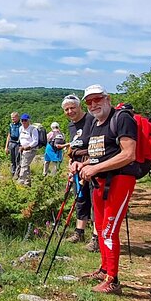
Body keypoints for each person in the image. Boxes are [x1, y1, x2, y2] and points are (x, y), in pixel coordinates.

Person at [71, 84, 138, 295]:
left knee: (109, 230)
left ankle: (113, 281)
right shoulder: (96, 123)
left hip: (119, 181)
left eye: (97, 99)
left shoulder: (122, 119)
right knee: (100, 227)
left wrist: (95, 168)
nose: (93, 104)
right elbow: (101, 154)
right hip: (99, 183)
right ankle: (104, 269)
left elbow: (129, 154)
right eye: (89, 101)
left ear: (107, 98)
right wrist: (83, 164)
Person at [62, 94, 99, 251]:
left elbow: (98, 145)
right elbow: (74, 147)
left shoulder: (91, 120)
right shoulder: (72, 125)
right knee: (80, 199)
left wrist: (84, 163)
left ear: (80, 107)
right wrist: (71, 163)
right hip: (77, 167)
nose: (70, 111)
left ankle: (96, 238)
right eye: (67, 109)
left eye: (73, 108)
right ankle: (79, 232)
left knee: (95, 201)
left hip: (93, 165)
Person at [17, 114, 38, 186]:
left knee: (24, 165)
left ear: (29, 120)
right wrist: (21, 146)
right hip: (23, 149)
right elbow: (20, 138)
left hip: (31, 150)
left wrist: (28, 146)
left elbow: (35, 141)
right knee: (26, 165)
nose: (24, 122)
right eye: (22, 120)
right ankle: (27, 183)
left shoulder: (33, 129)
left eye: (25, 120)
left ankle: (20, 182)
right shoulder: (20, 128)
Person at [4, 112, 22, 178]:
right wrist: (6, 146)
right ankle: (12, 173)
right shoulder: (11, 125)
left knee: (17, 159)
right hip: (11, 143)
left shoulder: (21, 125)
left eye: (14, 118)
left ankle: (17, 174)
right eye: (11, 118)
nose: (12, 119)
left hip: (18, 143)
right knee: (12, 159)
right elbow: (9, 135)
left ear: (17, 117)